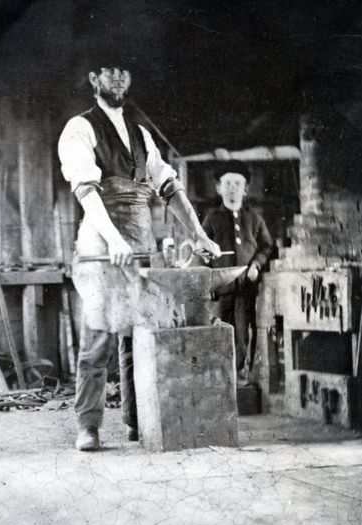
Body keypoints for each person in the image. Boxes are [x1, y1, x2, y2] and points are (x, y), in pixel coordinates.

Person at [58, 62, 221, 451]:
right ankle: (89, 426)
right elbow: (86, 191)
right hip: (101, 242)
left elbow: (168, 187)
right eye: (107, 71)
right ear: (94, 80)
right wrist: (113, 240)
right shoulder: (79, 128)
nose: (117, 77)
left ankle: (137, 420)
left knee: (140, 334)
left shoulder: (142, 135)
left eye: (123, 71)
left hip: (140, 241)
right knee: (98, 336)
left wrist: (199, 235)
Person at [202, 160, 274, 384]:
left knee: (243, 334)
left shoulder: (255, 219)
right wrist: (208, 282)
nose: (232, 187)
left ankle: (239, 378)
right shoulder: (212, 219)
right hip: (220, 291)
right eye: (227, 183)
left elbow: (266, 247)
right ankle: (222, 380)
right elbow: (202, 251)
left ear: (245, 189)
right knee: (220, 332)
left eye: (237, 183)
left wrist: (256, 265)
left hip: (245, 287)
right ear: (219, 188)